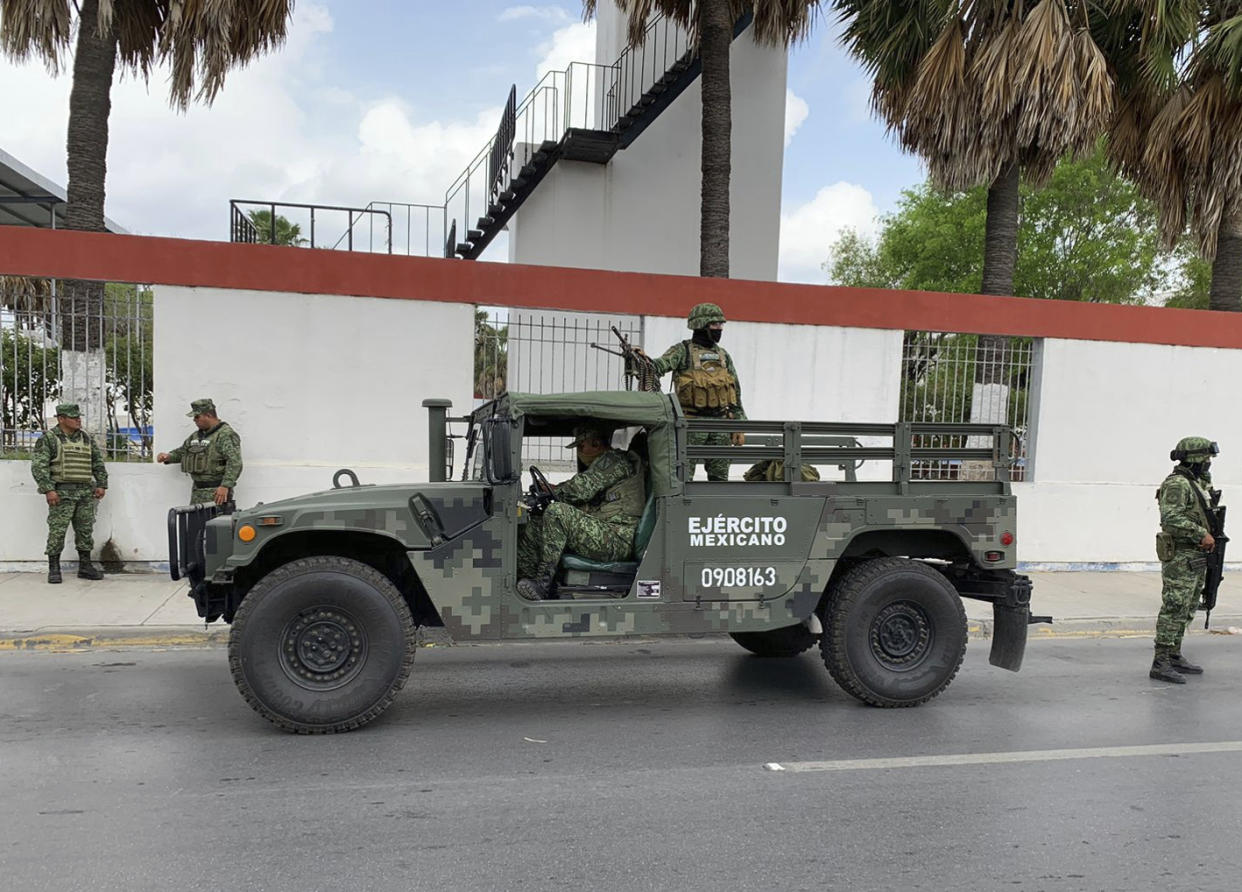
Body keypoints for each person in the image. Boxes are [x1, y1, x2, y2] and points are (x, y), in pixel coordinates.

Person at [516, 422, 646, 601]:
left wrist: (553, 491)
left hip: (618, 538)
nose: (579, 452)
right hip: (604, 532)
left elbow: (580, 490)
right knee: (536, 523)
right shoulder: (601, 464)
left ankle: (542, 585)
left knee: (557, 513)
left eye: (581, 446)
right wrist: (553, 490)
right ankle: (525, 580)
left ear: (596, 444)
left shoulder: (614, 461)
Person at [640, 302, 745, 481]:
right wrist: (642, 360)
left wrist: (740, 425)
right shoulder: (682, 351)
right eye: (715, 325)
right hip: (690, 425)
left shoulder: (723, 356)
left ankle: (717, 509)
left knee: (720, 480)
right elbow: (658, 366)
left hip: (720, 425)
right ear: (701, 325)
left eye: (721, 325)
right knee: (683, 478)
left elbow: (735, 393)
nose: (719, 329)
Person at [1151, 436, 1220, 684]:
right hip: (1181, 554)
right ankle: (1160, 662)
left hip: (1196, 554)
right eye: (1206, 458)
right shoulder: (1178, 484)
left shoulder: (1195, 483)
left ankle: (1174, 653)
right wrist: (1201, 534)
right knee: (1174, 605)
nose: (1209, 463)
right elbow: (1171, 518)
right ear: (1194, 459)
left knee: (1189, 606)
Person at [30, 403, 107, 584]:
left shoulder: (86, 438)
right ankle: (54, 568)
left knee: (85, 530)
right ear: (61, 419)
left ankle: (85, 566)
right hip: (61, 493)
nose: (78, 420)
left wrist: (102, 484)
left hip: (85, 493)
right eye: (74, 417)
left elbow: (97, 462)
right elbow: (39, 467)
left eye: (79, 417)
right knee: (57, 531)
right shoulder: (49, 438)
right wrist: (49, 489)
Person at [157, 398, 243, 506]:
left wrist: (225, 486)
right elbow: (183, 452)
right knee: (195, 522)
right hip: (197, 492)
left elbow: (235, 462)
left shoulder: (225, 434)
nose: (194, 420)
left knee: (215, 523)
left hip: (217, 493)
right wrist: (168, 456)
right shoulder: (196, 436)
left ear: (208, 415)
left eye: (197, 417)